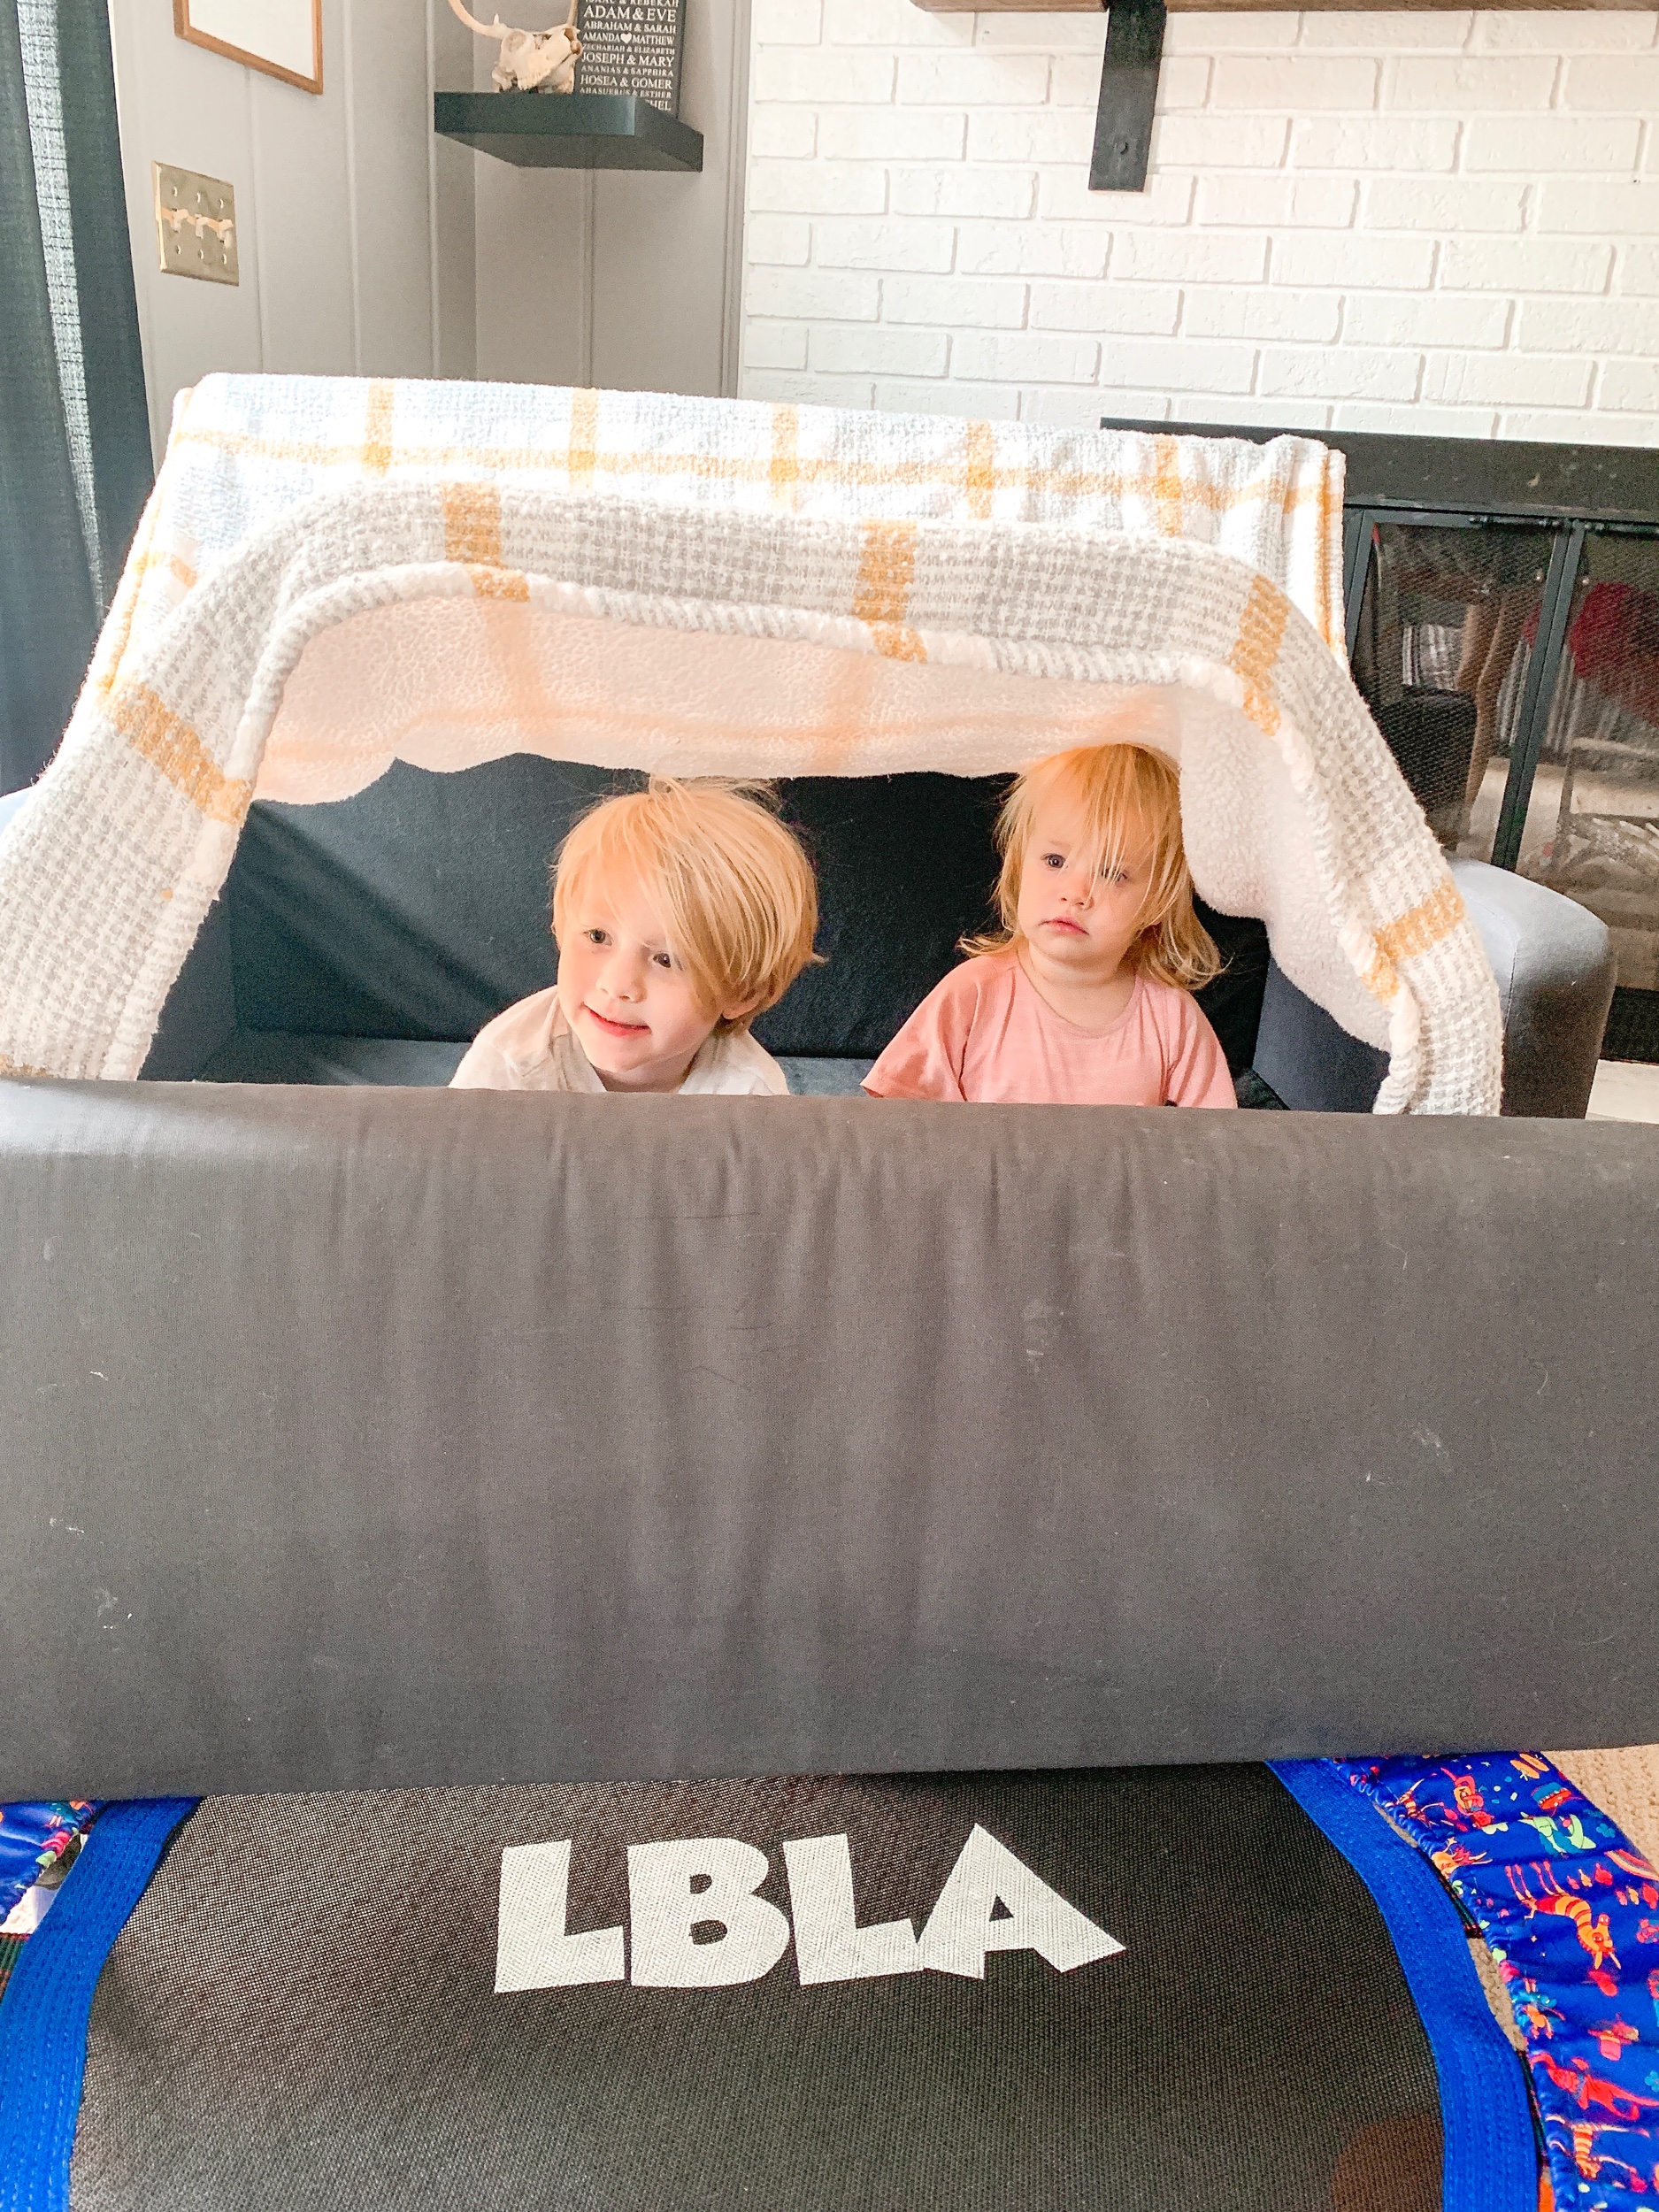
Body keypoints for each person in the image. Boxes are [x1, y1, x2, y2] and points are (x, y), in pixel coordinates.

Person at [862, 740, 1234, 1109]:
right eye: (1055, 861)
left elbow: (1224, 1138)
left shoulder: (1172, 1018)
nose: (1075, 894)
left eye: (1112, 873)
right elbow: (895, 1120)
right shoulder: (973, 993)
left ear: (1156, 902)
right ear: (1019, 866)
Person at [451, 777, 818, 1095]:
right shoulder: (508, 1069)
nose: (617, 986)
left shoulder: (750, 1094)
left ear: (742, 993)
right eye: (598, 936)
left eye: (666, 959)